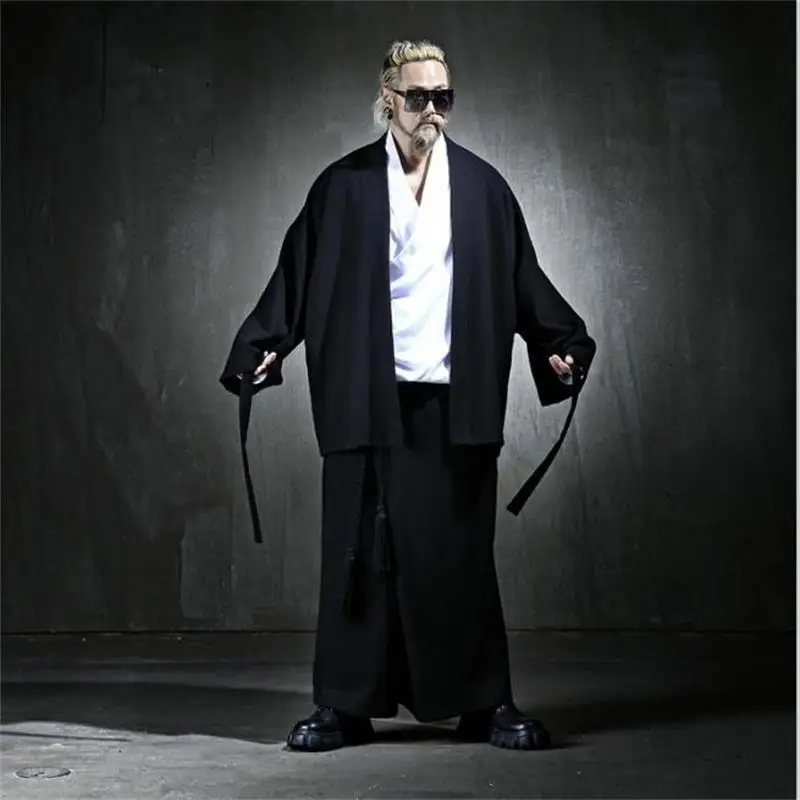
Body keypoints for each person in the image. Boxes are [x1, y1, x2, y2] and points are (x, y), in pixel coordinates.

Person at [220, 40, 596, 751]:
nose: (432, 111)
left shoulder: (483, 189)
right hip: (365, 395)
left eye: (442, 98)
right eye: (418, 97)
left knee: (460, 557)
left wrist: (561, 344)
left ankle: (484, 703)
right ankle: (344, 704)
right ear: (388, 99)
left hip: (455, 399)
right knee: (357, 552)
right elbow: (297, 276)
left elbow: (523, 279)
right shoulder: (343, 187)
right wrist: (263, 346)